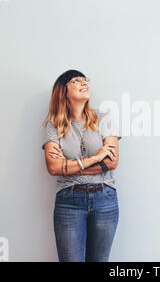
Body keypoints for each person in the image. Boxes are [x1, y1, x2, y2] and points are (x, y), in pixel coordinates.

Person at [41, 69, 122, 262]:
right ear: (63, 91)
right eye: (76, 80)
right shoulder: (54, 125)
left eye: (85, 80)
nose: (84, 83)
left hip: (105, 198)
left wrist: (68, 166)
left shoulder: (105, 117)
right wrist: (96, 158)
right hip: (69, 200)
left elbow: (111, 161)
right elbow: (53, 167)